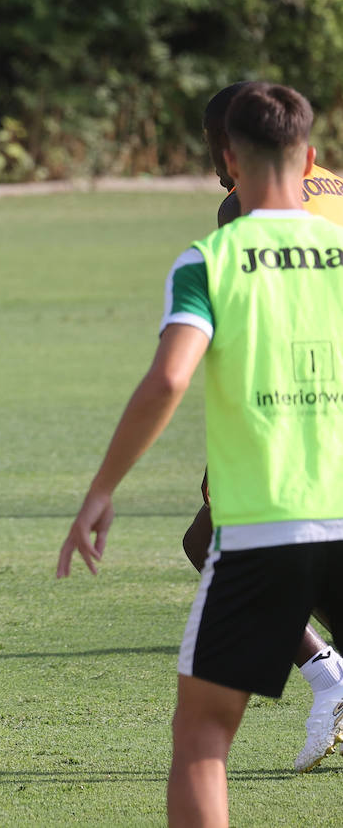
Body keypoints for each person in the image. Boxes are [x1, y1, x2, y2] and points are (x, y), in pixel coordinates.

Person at [58, 83, 343, 825]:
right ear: (310, 158)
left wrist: (101, 488)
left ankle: (323, 672)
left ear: (227, 160)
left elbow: (170, 377)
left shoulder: (211, 258)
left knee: (203, 740)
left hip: (264, 526)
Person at [179, 82, 343, 772]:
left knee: (210, 539)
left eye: (218, 157)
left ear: (232, 151)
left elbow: (253, 309)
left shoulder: (237, 210)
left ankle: (327, 673)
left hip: (290, 412)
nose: (219, 174)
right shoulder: (337, 181)